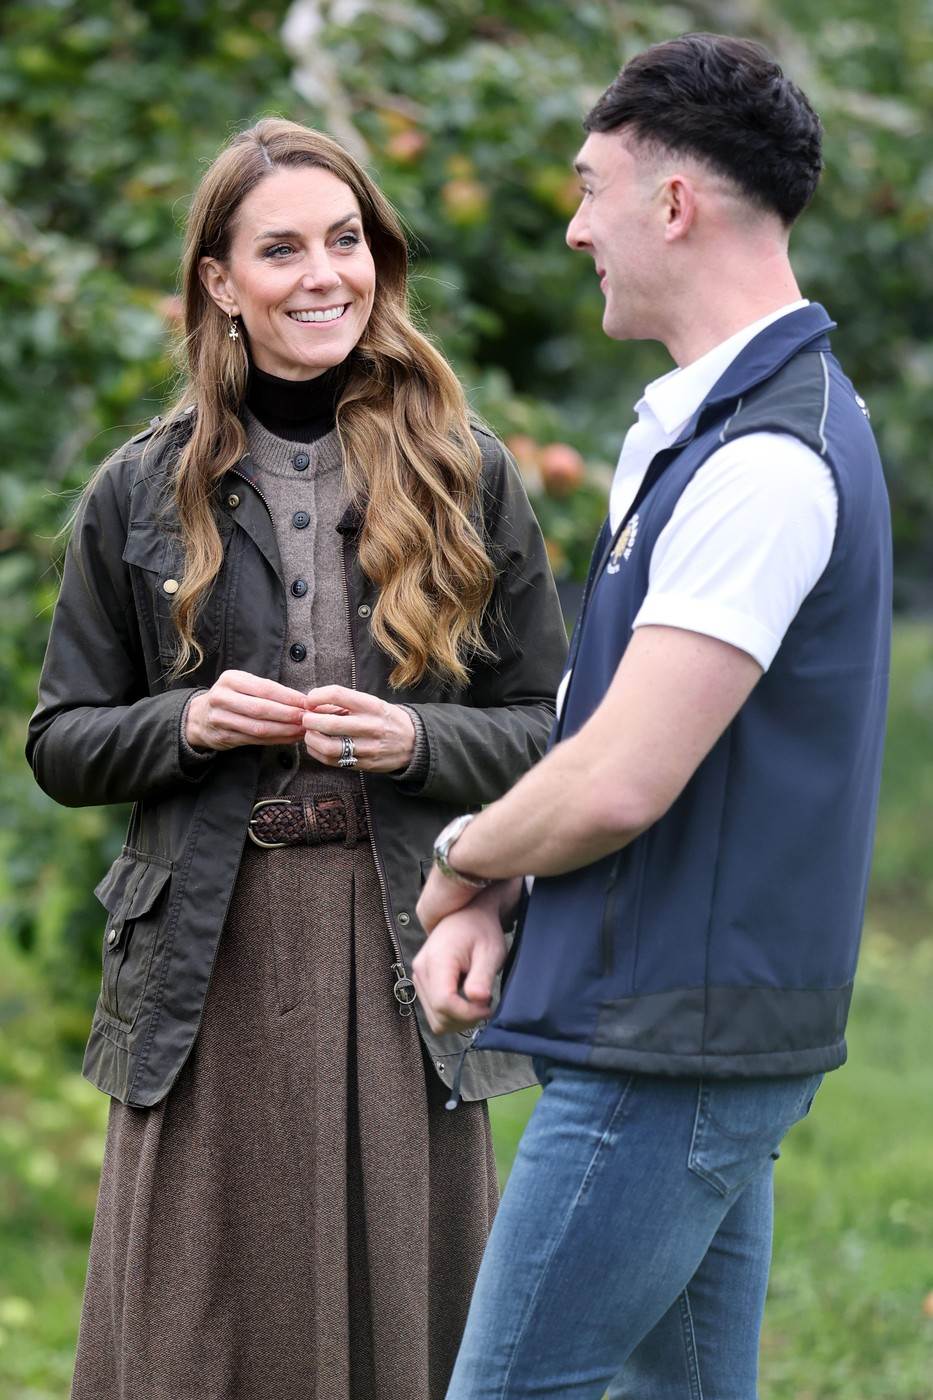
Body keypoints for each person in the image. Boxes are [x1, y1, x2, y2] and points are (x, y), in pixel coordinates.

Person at [26, 118, 567, 1400]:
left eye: (347, 240)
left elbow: (554, 726)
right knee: (196, 1311)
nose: (325, 273)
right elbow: (60, 739)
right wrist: (187, 723)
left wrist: (422, 736)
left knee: (405, 1306)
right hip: (209, 943)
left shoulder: (467, 474)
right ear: (220, 280)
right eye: (282, 248)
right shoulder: (138, 490)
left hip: (402, 934)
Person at [413, 33, 891, 1400]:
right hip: (686, 1028)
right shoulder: (710, 425)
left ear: (672, 204)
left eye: (588, 189)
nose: (575, 229)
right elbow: (599, 723)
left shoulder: (764, 459)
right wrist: (508, 899)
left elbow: (624, 774)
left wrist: (462, 865)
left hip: (664, 1052)